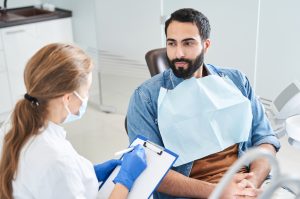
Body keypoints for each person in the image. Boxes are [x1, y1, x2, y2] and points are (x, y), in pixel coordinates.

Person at [126, 8, 294, 198]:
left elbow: (265, 140)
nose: (178, 53)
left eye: (188, 43)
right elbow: (150, 170)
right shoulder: (145, 97)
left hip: (250, 186)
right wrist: (220, 192)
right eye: (172, 43)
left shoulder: (237, 81)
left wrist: (250, 184)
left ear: (206, 45)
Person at [0, 43, 147, 199]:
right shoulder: (58, 160)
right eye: (86, 91)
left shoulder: (14, 123)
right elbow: (58, 173)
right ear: (67, 98)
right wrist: (125, 181)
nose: (86, 98)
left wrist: (89, 172)